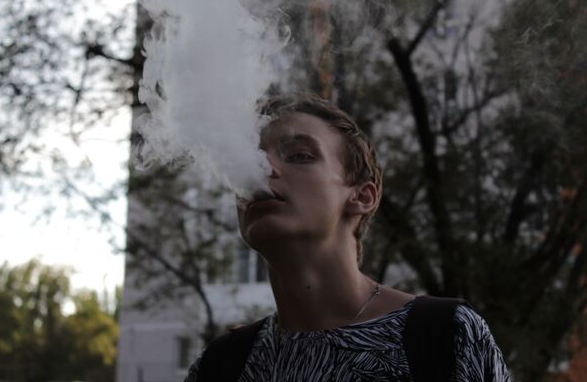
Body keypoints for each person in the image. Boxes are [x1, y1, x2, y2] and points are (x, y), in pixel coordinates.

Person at [185, 94, 510, 381]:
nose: (260, 170)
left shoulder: (445, 336)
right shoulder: (220, 366)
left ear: (362, 196)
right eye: (250, 157)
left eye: (299, 155)